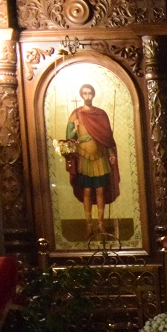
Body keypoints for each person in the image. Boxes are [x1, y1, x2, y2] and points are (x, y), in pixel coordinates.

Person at [65, 83, 120, 238]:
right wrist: (74, 128)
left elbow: (107, 137)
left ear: (93, 94)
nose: (87, 96)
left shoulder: (101, 114)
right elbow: (69, 137)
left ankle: (101, 224)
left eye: (90, 93)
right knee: (87, 191)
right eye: (85, 93)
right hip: (84, 157)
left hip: (100, 157)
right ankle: (89, 224)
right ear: (81, 95)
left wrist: (111, 152)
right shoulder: (76, 114)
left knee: (100, 190)